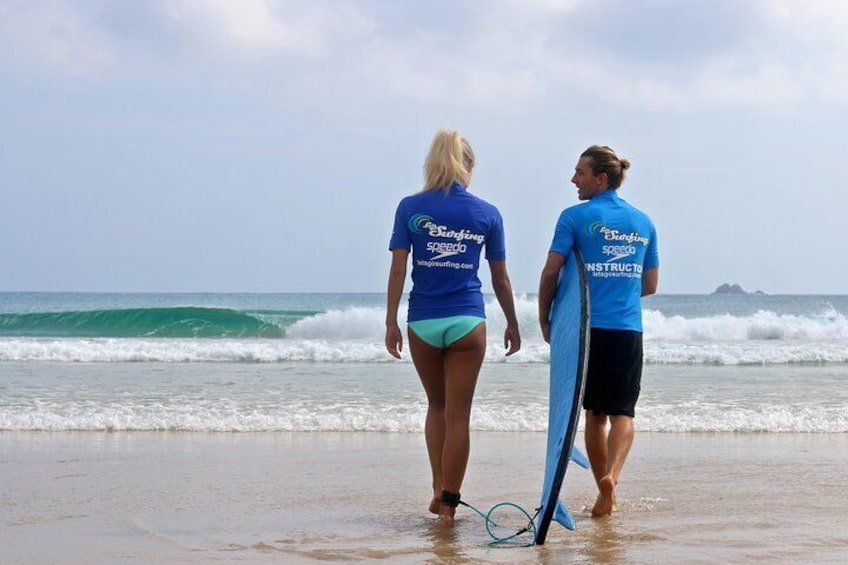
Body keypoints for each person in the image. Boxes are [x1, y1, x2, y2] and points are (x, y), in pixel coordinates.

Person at [385, 129, 521, 527]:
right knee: (459, 414)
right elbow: (501, 278)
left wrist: (390, 319)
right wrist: (512, 322)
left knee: (437, 407)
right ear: (469, 166)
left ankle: (437, 486)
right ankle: (448, 505)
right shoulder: (487, 213)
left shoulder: (410, 207)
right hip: (467, 322)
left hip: (423, 320)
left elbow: (398, 268)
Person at [538, 145, 659, 518]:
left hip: (586, 332)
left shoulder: (574, 217)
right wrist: (618, 287)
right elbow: (650, 284)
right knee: (624, 412)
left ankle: (601, 488)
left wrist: (545, 319)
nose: (574, 179)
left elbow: (551, 272)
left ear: (600, 178)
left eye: (580, 172)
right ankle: (613, 477)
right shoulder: (643, 222)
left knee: (594, 415)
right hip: (627, 329)